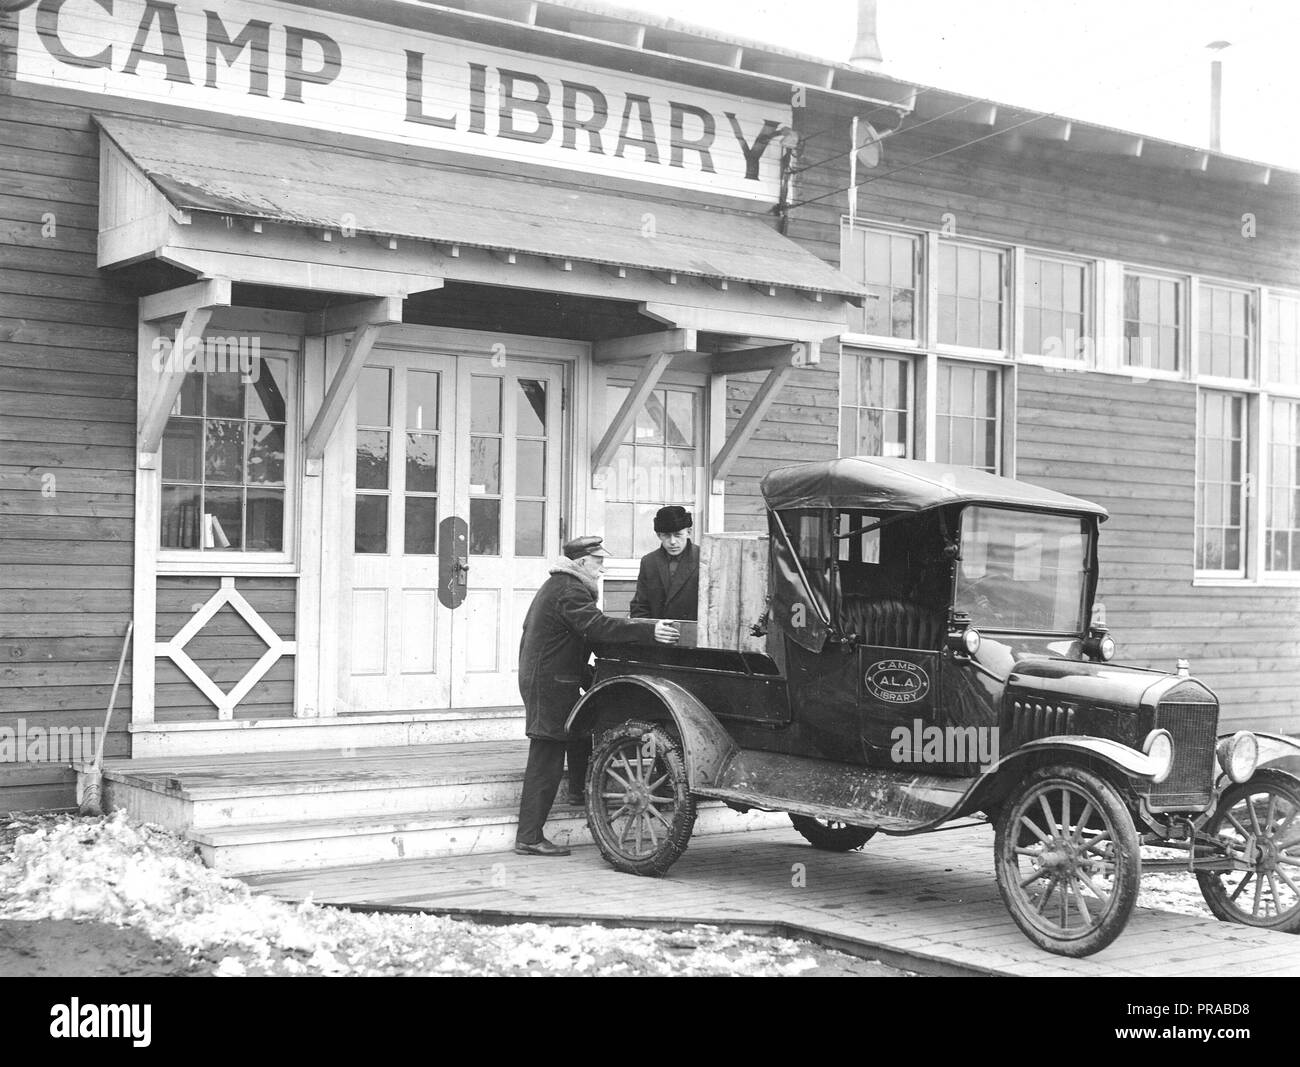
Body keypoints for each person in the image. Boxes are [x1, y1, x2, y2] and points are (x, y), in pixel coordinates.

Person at [515, 535, 678, 857]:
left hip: (553, 678)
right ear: (580, 563)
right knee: (546, 756)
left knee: (578, 732)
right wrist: (650, 631)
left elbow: (574, 637)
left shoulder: (564, 587)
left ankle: (578, 793)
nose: (602, 569)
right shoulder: (569, 590)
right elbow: (597, 627)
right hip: (549, 683)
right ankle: (529, 836)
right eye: (598, 562)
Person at [629, 505, 699, 622]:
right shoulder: (649, 562)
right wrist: (650, 631)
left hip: (693, 634)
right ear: (659, 535)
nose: (672, 541)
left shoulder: (703, 559)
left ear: (689, 532)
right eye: (666, 535)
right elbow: (640, 606)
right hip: (658, 635)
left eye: (678, 535)